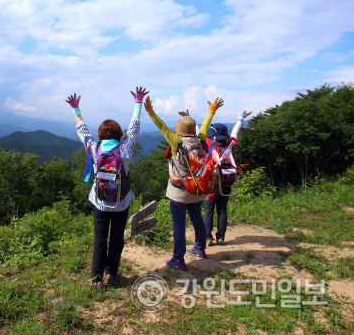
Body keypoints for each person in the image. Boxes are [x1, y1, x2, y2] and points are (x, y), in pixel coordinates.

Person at [66, 86, 148, 290]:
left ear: (100, 134)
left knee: (100, 238)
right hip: (121, 201)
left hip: (100, 201)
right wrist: (138, 103)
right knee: (117, 237)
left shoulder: (94, 148)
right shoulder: (125, 148)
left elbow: (81, 130)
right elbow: (134, 128)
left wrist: (76, 109)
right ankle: (112, 272)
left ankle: (96, 278)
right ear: (119, 134)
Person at [144, 96, 223, 270]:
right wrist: (212, 110)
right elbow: (204, 125)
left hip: (178, 191)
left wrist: (150, 111)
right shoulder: (201, 140)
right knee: (197, 220)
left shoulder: (176, 142)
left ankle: (178, 259)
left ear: (179, 129)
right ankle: (200, 248)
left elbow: (162, 127)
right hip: (196, 188)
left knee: (179, 225)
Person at [203, 111, 251, 246]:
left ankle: (207, 238)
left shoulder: (208, 144)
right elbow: (235, 131)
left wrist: (186, 116)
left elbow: (198, 131)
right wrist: (241, 119)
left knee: (208, 210)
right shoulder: (230, 145)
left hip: (211, 184)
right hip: (226, 183)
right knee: (222, 210)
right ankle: (221, 237)